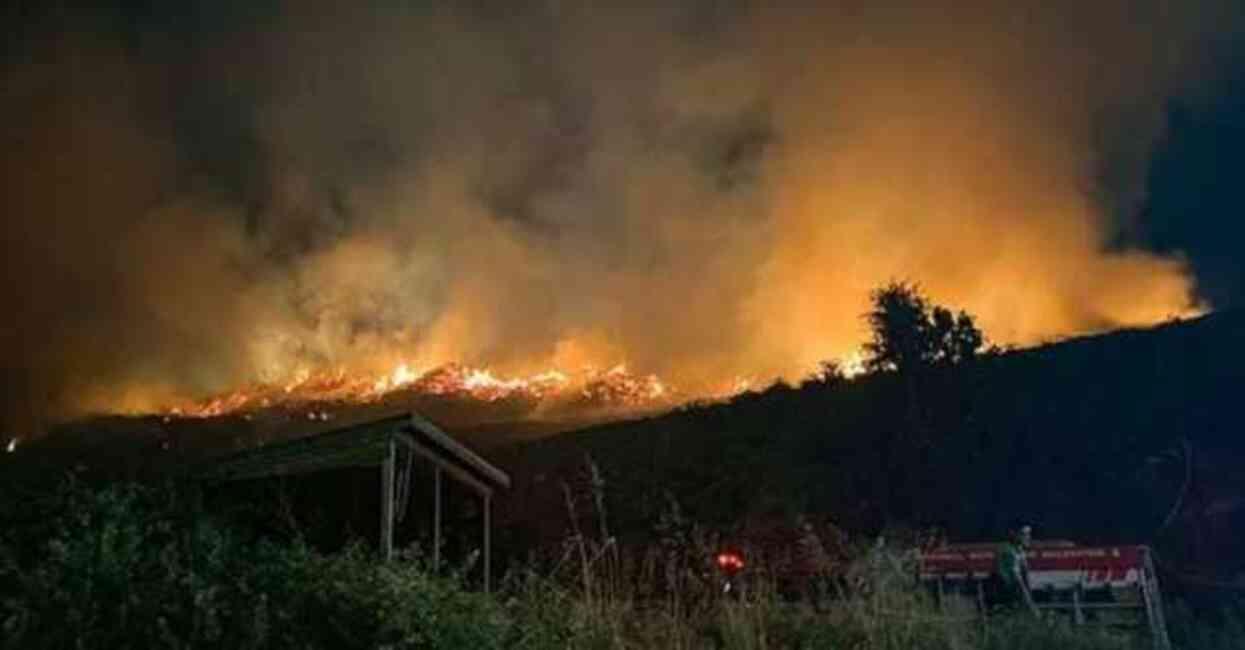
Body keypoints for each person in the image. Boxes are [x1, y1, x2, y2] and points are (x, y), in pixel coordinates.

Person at [993, 524, 1038, 616]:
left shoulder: (1019, 550)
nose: (1028, 537)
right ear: (1013, 534)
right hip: (1008, 595)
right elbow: (1017, 578)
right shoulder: (1007, 550)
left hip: (1017, 594)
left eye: (1029, 534)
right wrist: (1030, 604)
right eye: (1024, 534)